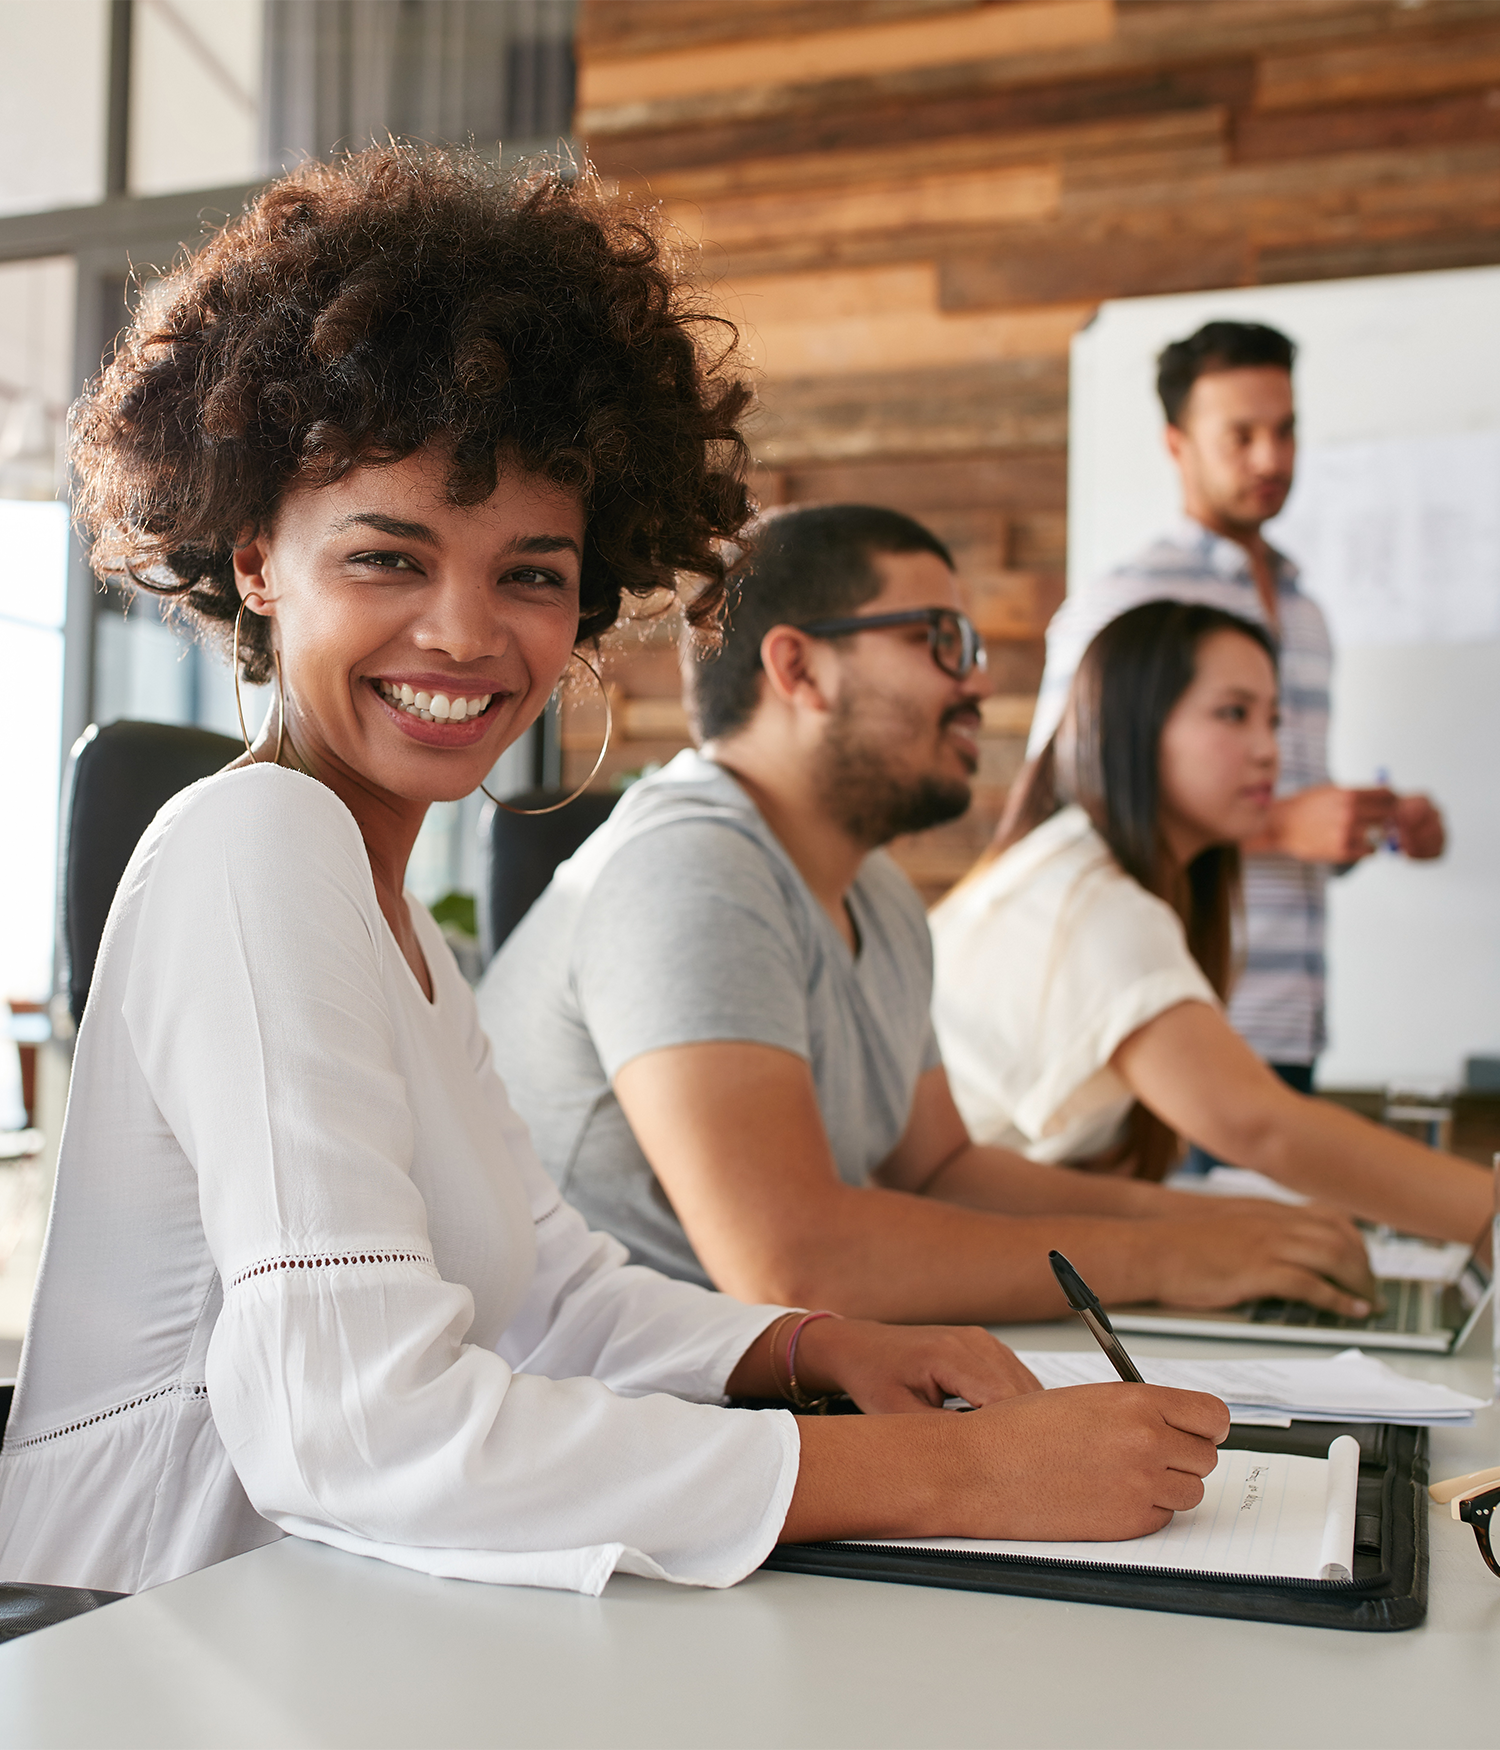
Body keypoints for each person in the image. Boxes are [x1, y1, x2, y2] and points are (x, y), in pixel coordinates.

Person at [0, 148, 1234, 1599]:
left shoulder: (387, 911)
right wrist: (961, 1473)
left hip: (319, 1611)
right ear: (260, 555)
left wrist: (806, 1345)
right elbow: (355, 1423)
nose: (466, 633)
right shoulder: (254, 846)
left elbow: (547, 1283)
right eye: (390, 558)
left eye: (530, 573)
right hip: (145, 1637)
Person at [480, 504, 1377, 1326]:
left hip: (749, 1398)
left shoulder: (876, 896)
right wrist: (1167, 1254)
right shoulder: (688, 868)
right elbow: (793, 1266)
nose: (978, 681)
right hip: (620, 1429)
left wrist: (1218, 1226)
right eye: (940, 640)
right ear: (800, 669)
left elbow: (941, 1173)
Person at [932, 599, 1490, 1243]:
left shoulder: (1095, 869)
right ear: (1135, 726)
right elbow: (1261, 1126)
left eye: (1273, 721)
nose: (1267, 752)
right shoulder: (1093, 903)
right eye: (1233, 714)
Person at [1028, 320, 1445, 1101]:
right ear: (1177, 444)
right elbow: (1061, 806)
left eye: (1287, 432)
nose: (1273, 459)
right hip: (1167, 1014)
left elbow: (1260, 800)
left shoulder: (1309, 613)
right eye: (1241, 435)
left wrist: (1366, 826)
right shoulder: (1126, 603)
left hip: (1293, 1024)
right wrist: (1283, 824)